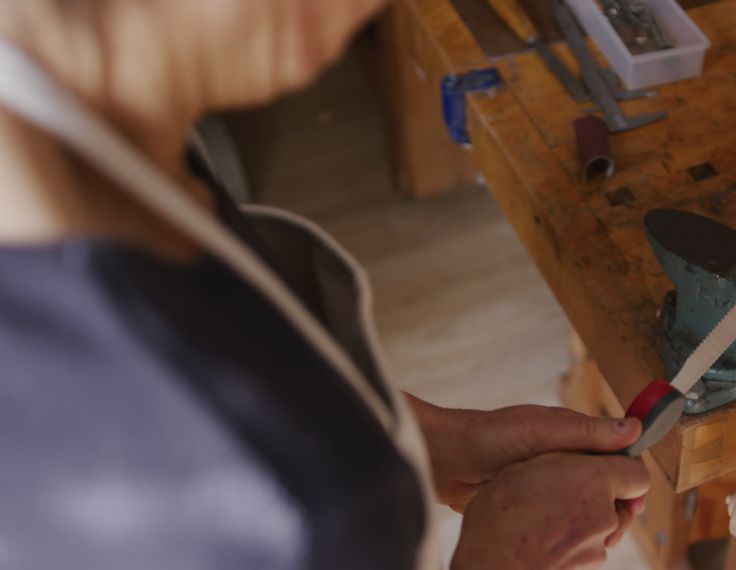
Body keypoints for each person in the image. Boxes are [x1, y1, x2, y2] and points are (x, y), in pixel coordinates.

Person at [0, 1, 650, 569]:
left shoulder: (80, 111)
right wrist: (508, 556)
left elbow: (247, 354)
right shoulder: (251, 498)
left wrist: (440, 442)